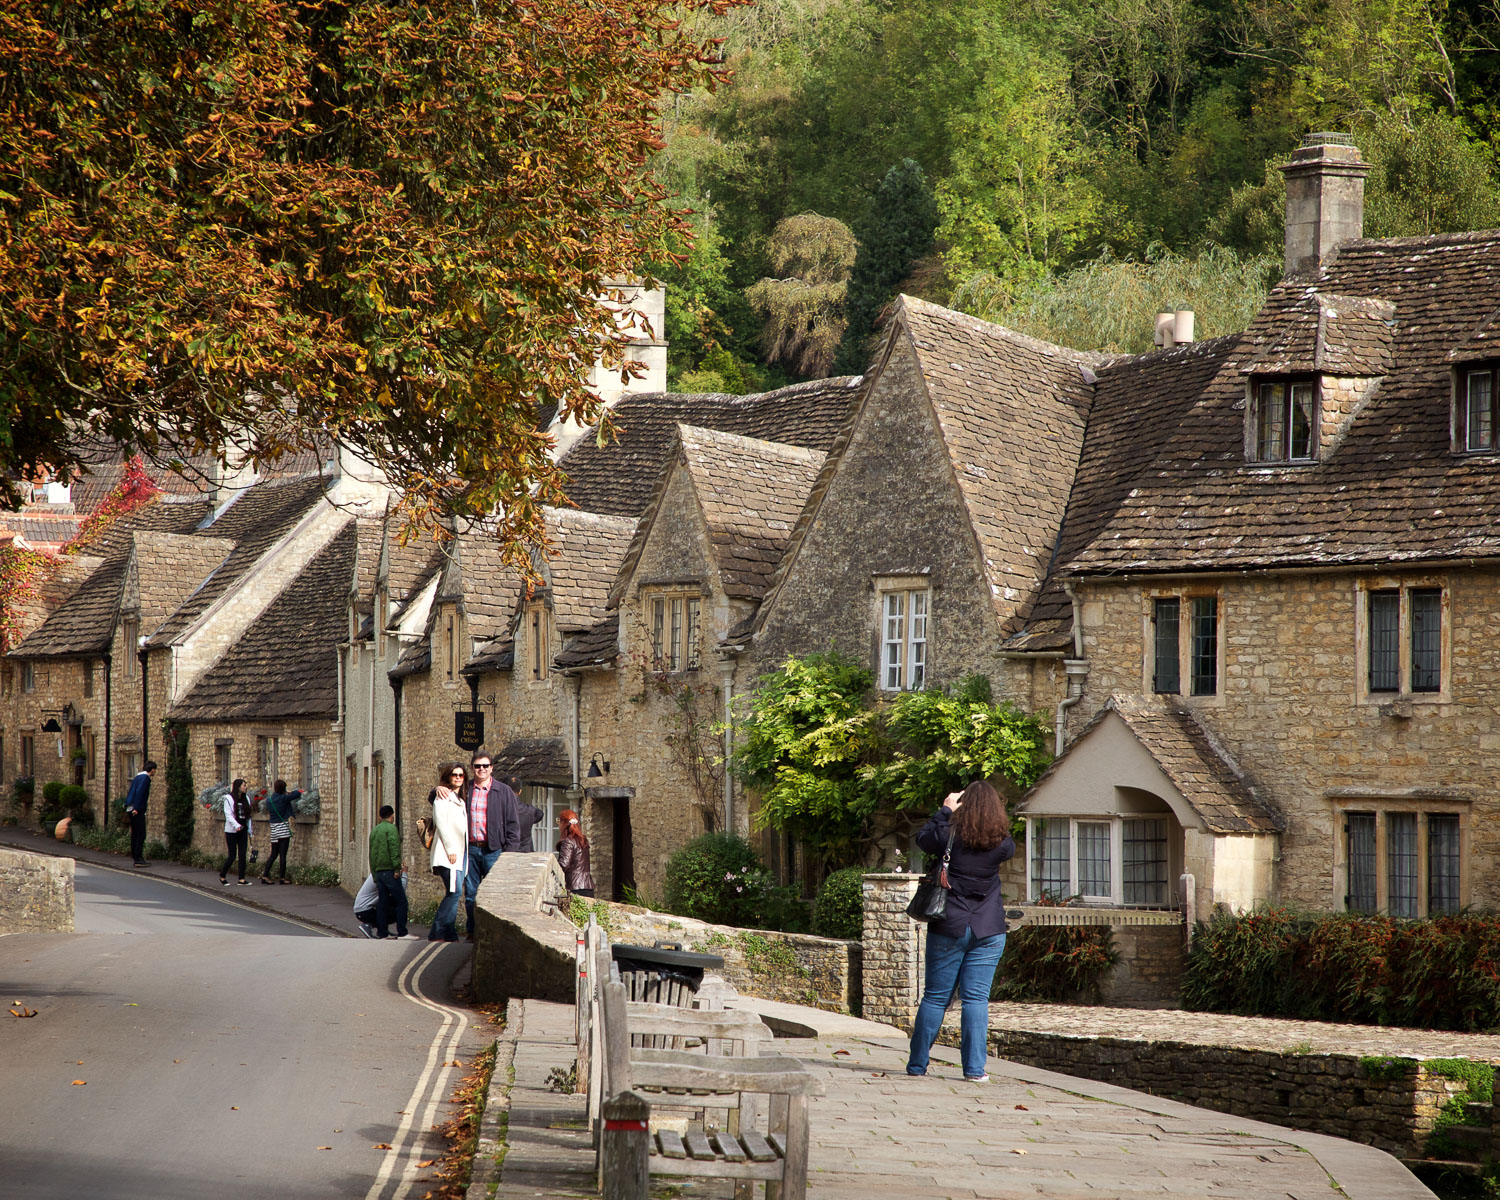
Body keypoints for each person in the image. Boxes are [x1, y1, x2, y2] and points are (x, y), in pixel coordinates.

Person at [906, 780, 1016, 1083]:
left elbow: (923, 838)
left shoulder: (947, 836)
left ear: (964, 806)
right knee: (976, 1000)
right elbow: (1004, 842)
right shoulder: (1003, 844)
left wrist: (945, 809)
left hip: (950, 925)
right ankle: (974, 1071)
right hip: (989, 929)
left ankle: (917, 1066)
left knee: (935, 997)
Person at [461, 749, 520, 940]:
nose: (482, 769)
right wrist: (439, 789)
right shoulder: (465, 789)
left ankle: (493, 935)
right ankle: (473, 932)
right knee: (470, 896)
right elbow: (435, 800)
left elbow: (513, 825)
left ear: (491, 768)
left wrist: (509, 854)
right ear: (472, 768)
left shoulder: (503, 792)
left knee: (495, 895)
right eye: (478, 766)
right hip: (470, 849)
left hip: (494, 850)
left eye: (485, 766)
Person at [428, 762, 469, 943]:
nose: (458, 778)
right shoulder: (443, 797)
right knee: (454, 893)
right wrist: (451, 850)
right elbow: (441, 825)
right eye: (454, 775)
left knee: (455, 892)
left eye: (461, 775)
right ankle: (437, 933)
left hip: (460, 854)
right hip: (449, 854)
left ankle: (450, 935)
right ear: (448, 777)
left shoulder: (460, 799)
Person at [368, 803, 409, 938]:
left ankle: (382, 932)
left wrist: (374, 873)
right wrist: (397, 869)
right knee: (401, 901)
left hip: (378, 871)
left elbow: (372, 854)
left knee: (382, 903)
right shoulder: (391, 829)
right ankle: (402, 932)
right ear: (392, 816)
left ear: (380, 817)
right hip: (390, 870)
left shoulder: (374, 831)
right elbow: (394, 849)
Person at [260, 779, 302, 884]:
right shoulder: (283, 798)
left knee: (273, 854)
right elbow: (297, 794)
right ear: (283, 788)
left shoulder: (269, 800)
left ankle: (265, 875)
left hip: (274, 828)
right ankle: (282, 878)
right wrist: (289, 793)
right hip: (283, 828)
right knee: (283, 854)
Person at [123, 760, 157, 867]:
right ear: (152, 770)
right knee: (141, 834)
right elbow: (140, 793)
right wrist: (137, 808)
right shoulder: (145, 778)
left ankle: (136, 857)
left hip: (130, 807)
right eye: (155, 770)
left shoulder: (138, 777)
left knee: (135, 834)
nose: (155, 772)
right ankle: (138, 859)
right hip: (136, 809)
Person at [219, 778, 253, 885]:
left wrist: (250, 830)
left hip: (243, 829)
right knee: (232, 855)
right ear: (238, 787)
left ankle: (241, 879)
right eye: (244, 785)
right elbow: (228, 814)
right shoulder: (228, 798)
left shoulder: (246, 798)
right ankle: (222, 875)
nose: (245, 787)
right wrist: (236, 825)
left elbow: (248, 816)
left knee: (242, 854)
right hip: (231, 831)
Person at [555, 808, 594, 897]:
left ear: (563, 823)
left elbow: (564, 864)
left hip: (574, 886)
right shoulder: (583, 840)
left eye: (558, 821)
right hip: (587, 885)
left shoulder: (568, 841)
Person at [511, 775, 543, 851]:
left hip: (504, 853)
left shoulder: (497, 810)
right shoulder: (529, 810)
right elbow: (540, 814)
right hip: (525, 852)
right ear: (520, 791)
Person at [352, 873, 381, 939]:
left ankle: (382, 930)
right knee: (398, 909)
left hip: (361, 910)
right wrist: (404, 874)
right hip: (364, 911)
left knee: (386, 903)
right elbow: (399, 892)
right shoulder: (381, 874)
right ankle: (368, 925)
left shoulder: (377, 872)